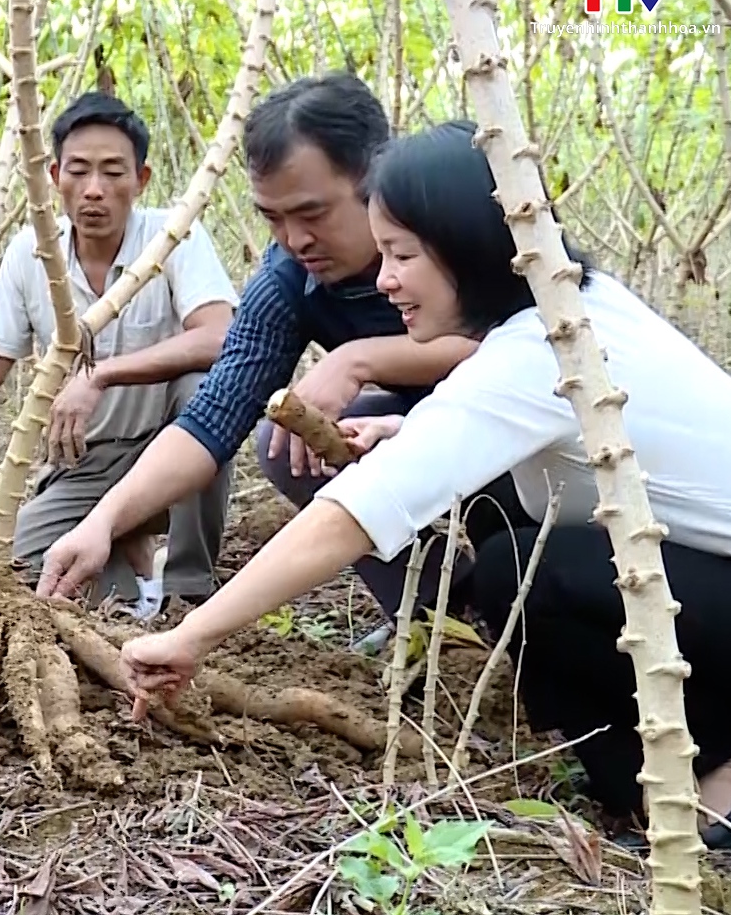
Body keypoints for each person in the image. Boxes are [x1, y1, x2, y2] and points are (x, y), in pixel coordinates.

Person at [117, 120, 731, 849]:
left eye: (401, 255)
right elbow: (577, 435)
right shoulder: (570, 309)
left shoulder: (537, 350)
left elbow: (351, 517)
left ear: (464, 247)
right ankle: (645, 775)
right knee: (516, 549)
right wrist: (402, 431)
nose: (385, 281)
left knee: (525, 571)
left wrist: (193, 633)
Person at [38, 73, 508, 649]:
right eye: (273, 218)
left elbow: (526, 348)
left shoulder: (464, 227)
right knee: (287, 442)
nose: (295, 239)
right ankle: (438, 614)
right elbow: (211, 420)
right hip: (413, 429)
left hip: (529, 452)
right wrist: (102, 524)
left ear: (375, 177)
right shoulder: (288, 281)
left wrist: (360, 358)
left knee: (518, 554)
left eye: (312, 213)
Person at [0, 91, 240, 616]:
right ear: (54, 176)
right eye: (80, 171)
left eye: (114, 173)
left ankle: (188, 589)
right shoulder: (31, 253)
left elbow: (221, 337)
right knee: (27, 565)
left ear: (142, 180)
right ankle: (133, 587)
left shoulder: (174, 237)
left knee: (208, 392)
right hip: (83, 462)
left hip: (172, 450)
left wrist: (101, 376)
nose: (95, 191)